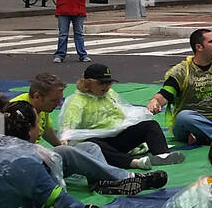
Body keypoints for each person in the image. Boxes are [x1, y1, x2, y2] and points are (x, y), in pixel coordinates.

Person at [11, 73, 167, 196]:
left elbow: (48, 132)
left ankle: (101, 183)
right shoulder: (16, 109)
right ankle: (127, 177)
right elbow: (3, 145)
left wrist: (63, 146)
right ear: (37, 96)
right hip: (28, 168)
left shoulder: (42, 109)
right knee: (72, 149)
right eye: (54, 101)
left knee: (89, 147)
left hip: (44, 161)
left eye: (59, 100)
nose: (59, 104)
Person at [59, 63, 188, 169]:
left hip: (117, 138)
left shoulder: (110, 94)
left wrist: (143, 114)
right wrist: (65, 137)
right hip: (99, 143)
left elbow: (125, 111)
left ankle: (162, 155)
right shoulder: (77, 101)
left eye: (108, 83)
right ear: (87, 83)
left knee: (150, 125)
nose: (106, 87)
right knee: (93, 145)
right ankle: (133, 162)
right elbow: (69, 123)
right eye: (101, 83)